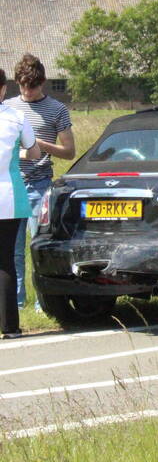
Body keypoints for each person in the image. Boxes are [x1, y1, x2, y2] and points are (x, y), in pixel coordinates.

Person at [2, 54, 75, 307]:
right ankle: (17, 303)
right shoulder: (8, 108)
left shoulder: (57, 109)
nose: (27, 92)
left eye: (32, 87)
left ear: (41, 82)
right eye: (22, 86)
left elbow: (69, 152)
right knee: (13, 251)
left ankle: (41, 303)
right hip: (12, 186)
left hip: (40, 185)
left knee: (39, 247)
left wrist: (39, 144)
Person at [1, 67, 42, 339]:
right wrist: (19, 152)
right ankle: (10, 327)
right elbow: (35, 151)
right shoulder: (16, 117)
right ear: (3, 89)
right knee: (5, 261)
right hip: (9, 197)